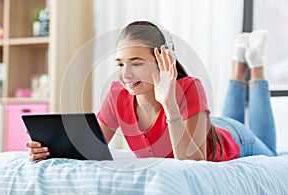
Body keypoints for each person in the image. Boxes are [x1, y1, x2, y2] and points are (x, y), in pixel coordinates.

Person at [26, 21, 277, 163]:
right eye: (120, 63)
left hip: (233, 139)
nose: (125, 74)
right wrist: (48, 151)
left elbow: (193, 163)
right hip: (204, 123)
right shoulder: (118, 94)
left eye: (136, 63)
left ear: (163, 60)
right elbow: (91, 148)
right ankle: (241, 63)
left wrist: (170, 105)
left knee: (274, 153)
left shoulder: (189, 87)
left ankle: (253, 67)